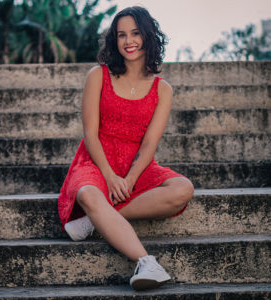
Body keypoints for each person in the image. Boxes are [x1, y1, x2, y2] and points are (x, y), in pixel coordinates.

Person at [58, 6, 194, 291]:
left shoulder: (162, 89)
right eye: (121, 35)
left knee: (183, 189)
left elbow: (149, 145)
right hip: (96, 162)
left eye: (135, 33)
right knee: (88, 194)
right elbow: (90, 135)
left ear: (148, 36)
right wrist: (109, 175)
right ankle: (146, 262)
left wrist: (130, 179)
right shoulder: (99, 75)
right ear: (114, 40)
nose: (128, 40)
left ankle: (95, 222)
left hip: (137, 166)